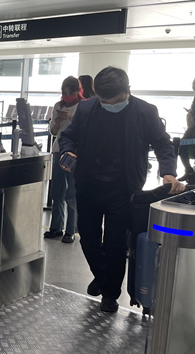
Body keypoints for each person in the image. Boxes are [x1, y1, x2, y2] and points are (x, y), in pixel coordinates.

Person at [59, 66, 184, 313]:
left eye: (114, 101)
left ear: (127, 91)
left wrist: (168, 172)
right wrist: (67, 151)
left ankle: (110, 294)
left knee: (116, 243)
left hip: (123, 188)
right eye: (103, 101)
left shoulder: (145, 112)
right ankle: (102, 275)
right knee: (88, 239)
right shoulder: (87, 108)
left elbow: (163, 144)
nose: (108, 105)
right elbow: (68, 137)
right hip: (88, 185)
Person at [44, 76, 83, 244]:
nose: (67, 96)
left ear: (77, 91)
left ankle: (71, 230)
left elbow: (85, 128)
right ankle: (56, 227)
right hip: (58, 150)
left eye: (70, 93)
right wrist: (57, 121)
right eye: (64, 93)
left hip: (74, 153)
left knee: (71, 194)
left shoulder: (83, 106)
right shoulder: (58, 106)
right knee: (57, 192)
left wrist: (71, 117)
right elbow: (53, 132)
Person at [178, 77, 195, 183]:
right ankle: (189, 171)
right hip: (192, 129)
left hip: (193, 130)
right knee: (182, 147)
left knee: (182, 147)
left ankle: (189, 171)